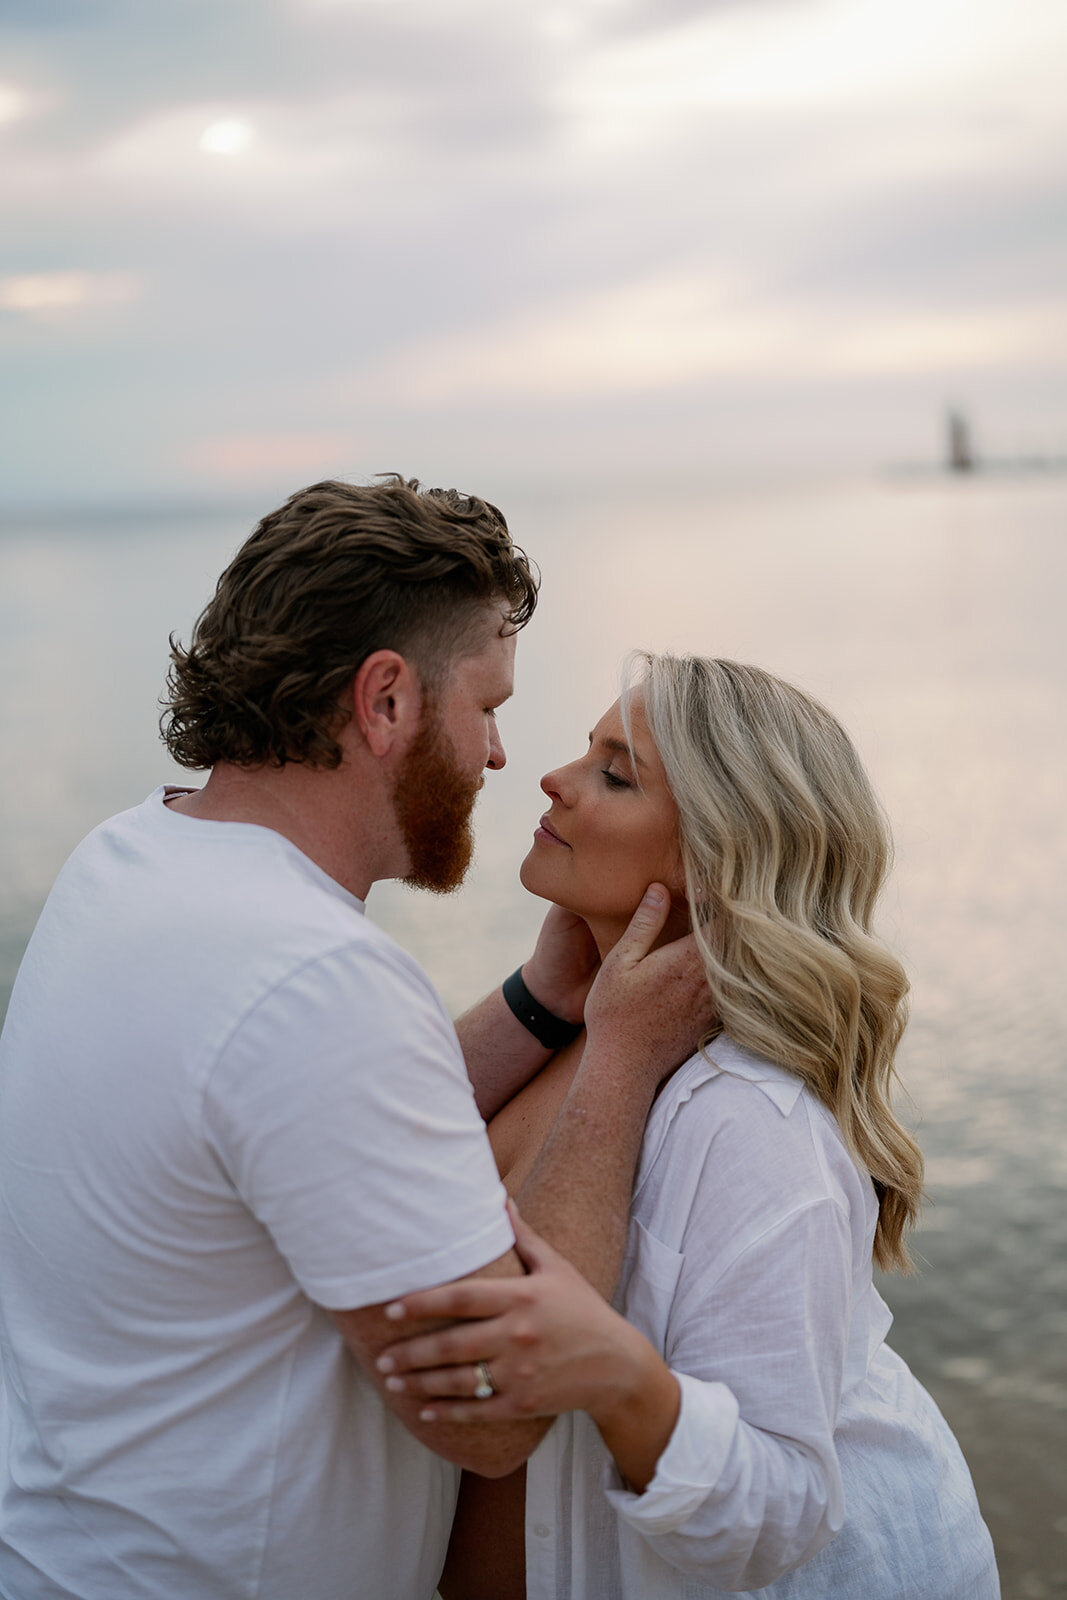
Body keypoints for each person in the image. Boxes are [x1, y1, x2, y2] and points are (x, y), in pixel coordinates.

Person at [0, 482, 711, 1600]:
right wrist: (621, 1056)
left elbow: (319, 1125)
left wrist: (540, 999)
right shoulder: (315, 979)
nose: (494, 755)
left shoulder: (132, 857)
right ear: (384, 699)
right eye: (484, 704)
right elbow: (493, 1410)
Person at [377, 653, 1001, 1600]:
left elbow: (782, 1509)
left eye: (614, 773)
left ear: (712, 860)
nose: (553, 778)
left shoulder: (747, 1121)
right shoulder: (567, 1038)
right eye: (587, 753)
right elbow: (371, 1150)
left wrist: (630, 1384)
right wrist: (547, 995)